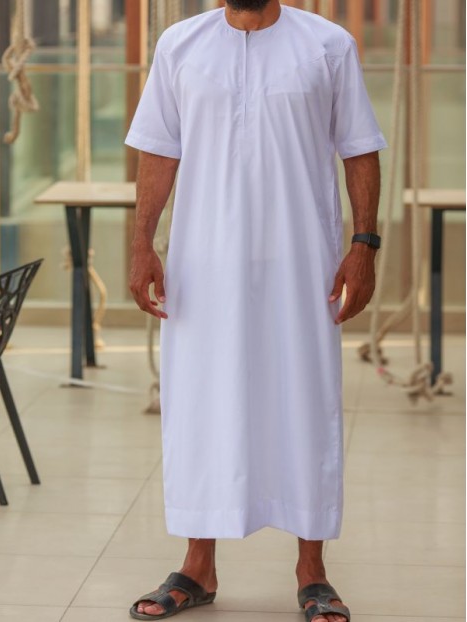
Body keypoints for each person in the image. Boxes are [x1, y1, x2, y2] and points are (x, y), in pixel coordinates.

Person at [125, 0, 387, 620]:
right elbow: (159, 149)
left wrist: (364, 245)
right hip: (203, 261)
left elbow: (359, 148)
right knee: (200, 401)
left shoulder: (327, 45)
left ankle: (312, 570)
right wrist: (141, 242)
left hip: (301, 260)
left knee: (305, 398)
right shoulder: (179, 45)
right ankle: (198, 564)